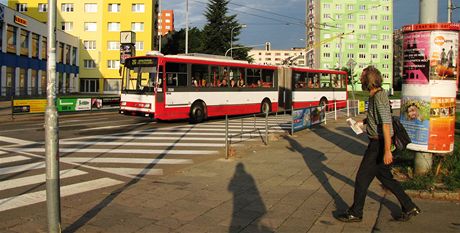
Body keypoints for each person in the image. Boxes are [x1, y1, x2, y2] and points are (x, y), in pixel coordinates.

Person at [337, 66, 420, 223]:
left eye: (362, 78)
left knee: (362, 178)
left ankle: (356, 212)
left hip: (379, 145)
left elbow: (386, 124)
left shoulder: (379, 97)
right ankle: (409, 207)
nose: (360, 80)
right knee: (386, 178)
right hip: (378, 143)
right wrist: (362, 122)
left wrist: (387, 151)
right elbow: (378, 118)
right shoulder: (375, 95)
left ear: (369, 80)